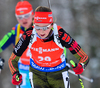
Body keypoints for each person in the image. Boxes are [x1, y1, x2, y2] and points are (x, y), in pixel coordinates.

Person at [8, 6, 89, 88]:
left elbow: (83, 56)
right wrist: (15, 74)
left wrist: (81, 66)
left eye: (45, 27)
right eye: (37, 27)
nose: (41, 32)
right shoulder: (29, 35)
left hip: (58, 74)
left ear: (51, 25)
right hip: (37, 74)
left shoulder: (61, 35)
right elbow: (12, 59)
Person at [0, 1, 34, 88]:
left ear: (32, 14)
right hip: (23, 72)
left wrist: (64, 61)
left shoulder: (42, 29)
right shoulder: (15, 32)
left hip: (39, 70)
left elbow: (59, 45)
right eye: (20, 17)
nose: (23, 19)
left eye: (26, 16)